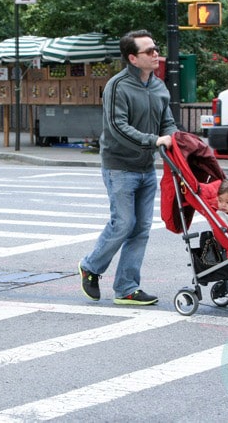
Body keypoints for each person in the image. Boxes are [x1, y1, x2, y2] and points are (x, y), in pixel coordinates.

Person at [78, 30, 177, 305]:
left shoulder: (158, 86)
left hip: (147, 167)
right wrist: (153, 140)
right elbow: (117, 127)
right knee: (124, 223)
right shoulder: (117, 86)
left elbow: (167, 121)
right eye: (149, 51)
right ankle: (91, 266)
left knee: (141, 228)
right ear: (133, 58)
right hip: (119, 166)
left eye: (155, 49)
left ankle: (126, 288)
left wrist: (174, 140)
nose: (156, 54)